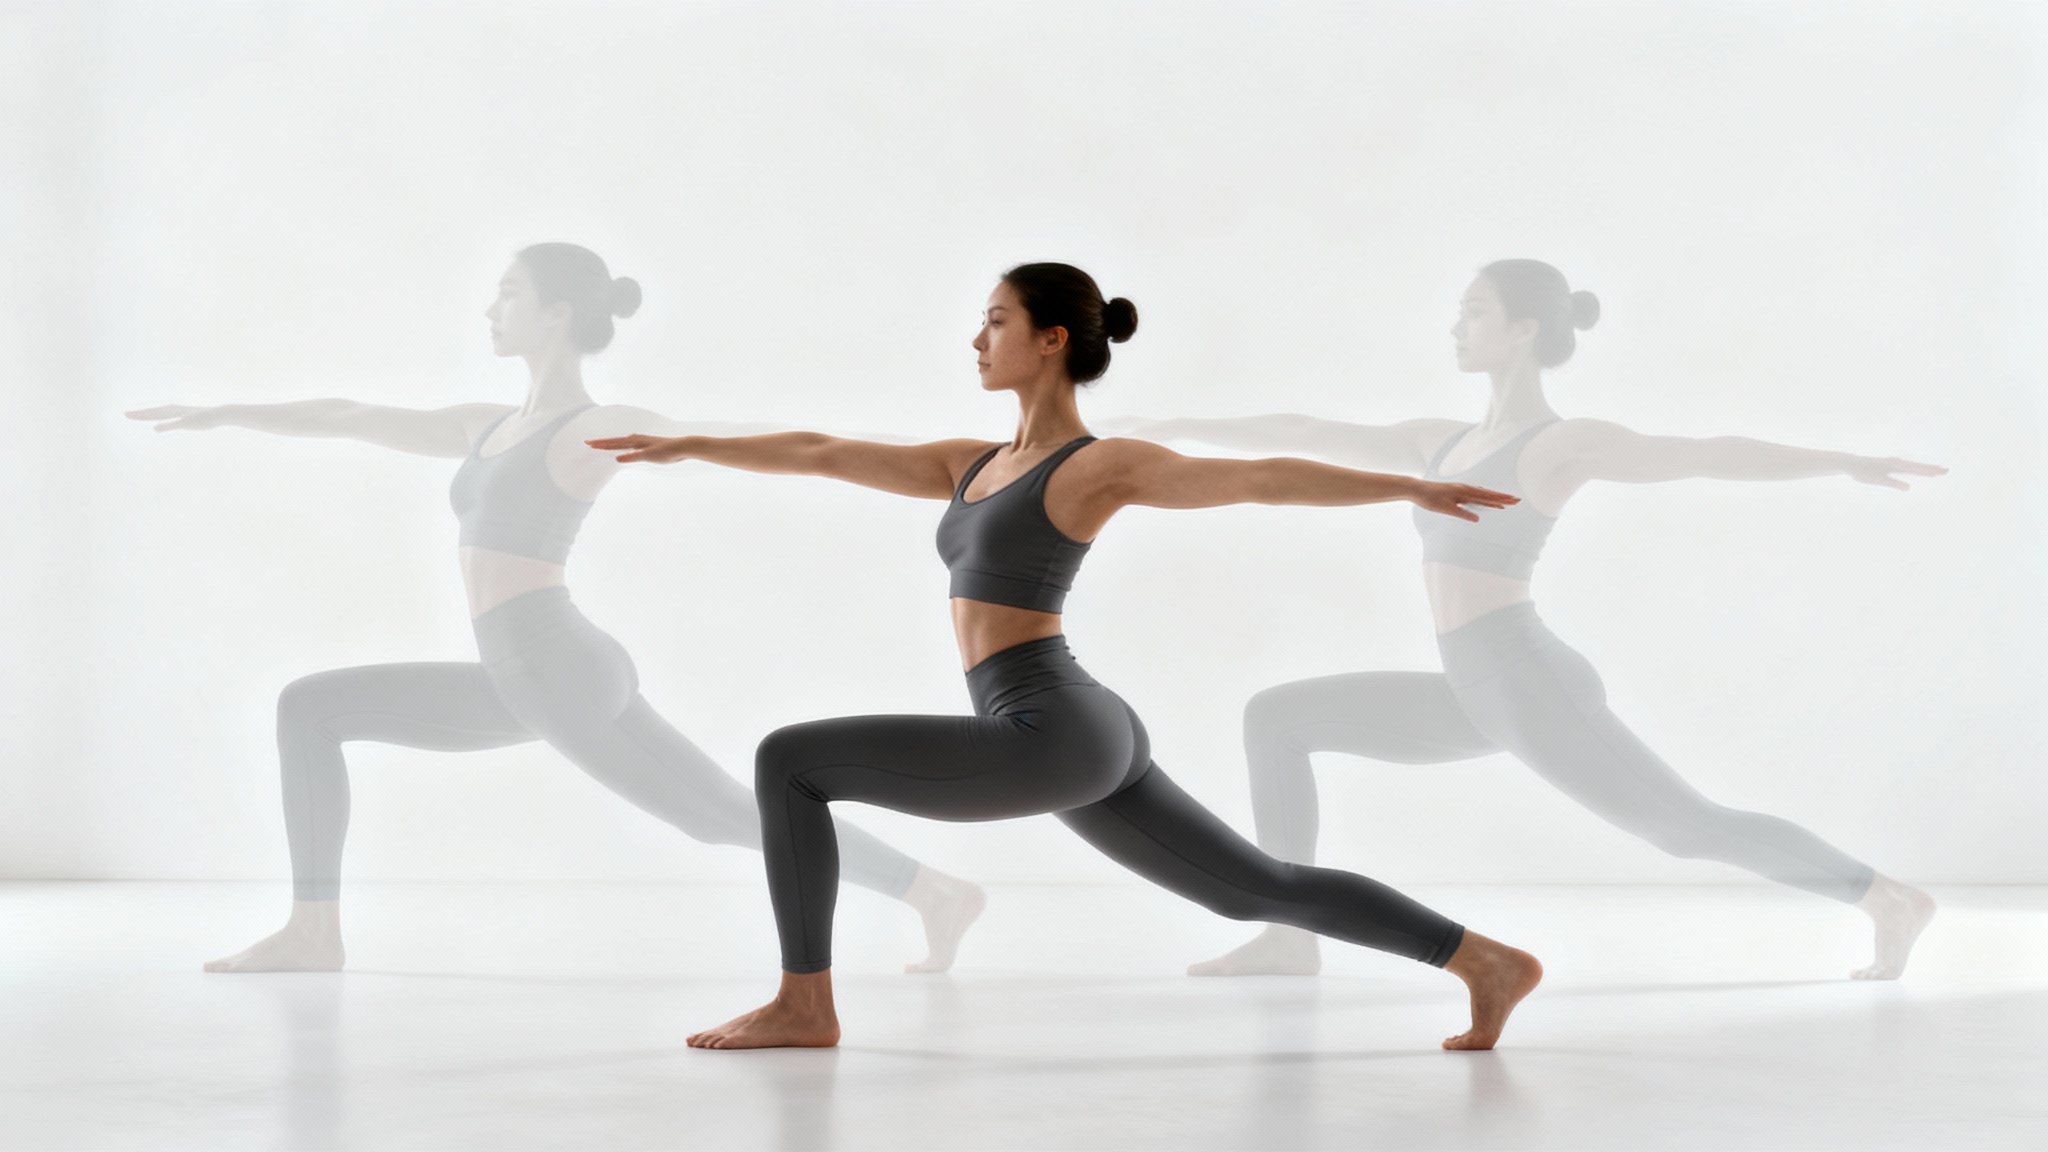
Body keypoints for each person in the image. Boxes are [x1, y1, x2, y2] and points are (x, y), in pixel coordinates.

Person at [590, 262, 1543, 1051]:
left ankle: (805, 1004)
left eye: (996, 321)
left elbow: (1253, 478)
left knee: (789, 761)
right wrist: (690, 446)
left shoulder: (1094, 466)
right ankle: (1484, 961)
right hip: (1073, 726)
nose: (976, 340)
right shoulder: (967, 464)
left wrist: (1408, 488)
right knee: (1252, 888)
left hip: (1054, 728)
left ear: (1051, 340)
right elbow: (824, 450)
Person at [128, 243, 983, 974]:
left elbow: (759, 439)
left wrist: (976, 460)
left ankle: (933, 891)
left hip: (556, 665)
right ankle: (314, 929)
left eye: (508, 291)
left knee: (716, 815)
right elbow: (351, 415)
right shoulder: (488, 425)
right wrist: (227, 411)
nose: (490, 306)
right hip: (526, 672)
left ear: (557, 312)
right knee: (309, 706)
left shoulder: (589, 427)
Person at [1114, 259, 1941, 982]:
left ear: (1522, 329)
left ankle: (1886, 895)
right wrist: (1168, 431)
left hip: (1529, 680)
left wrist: (1844, 462)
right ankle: (1290, 935)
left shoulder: (1560, 444)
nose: (1455, 326)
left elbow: (1704, 451)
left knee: (1686, 830)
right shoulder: (1442, 442)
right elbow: (1303, 431)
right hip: (1473, 688)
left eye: (1473, 311)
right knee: (1279, 716)